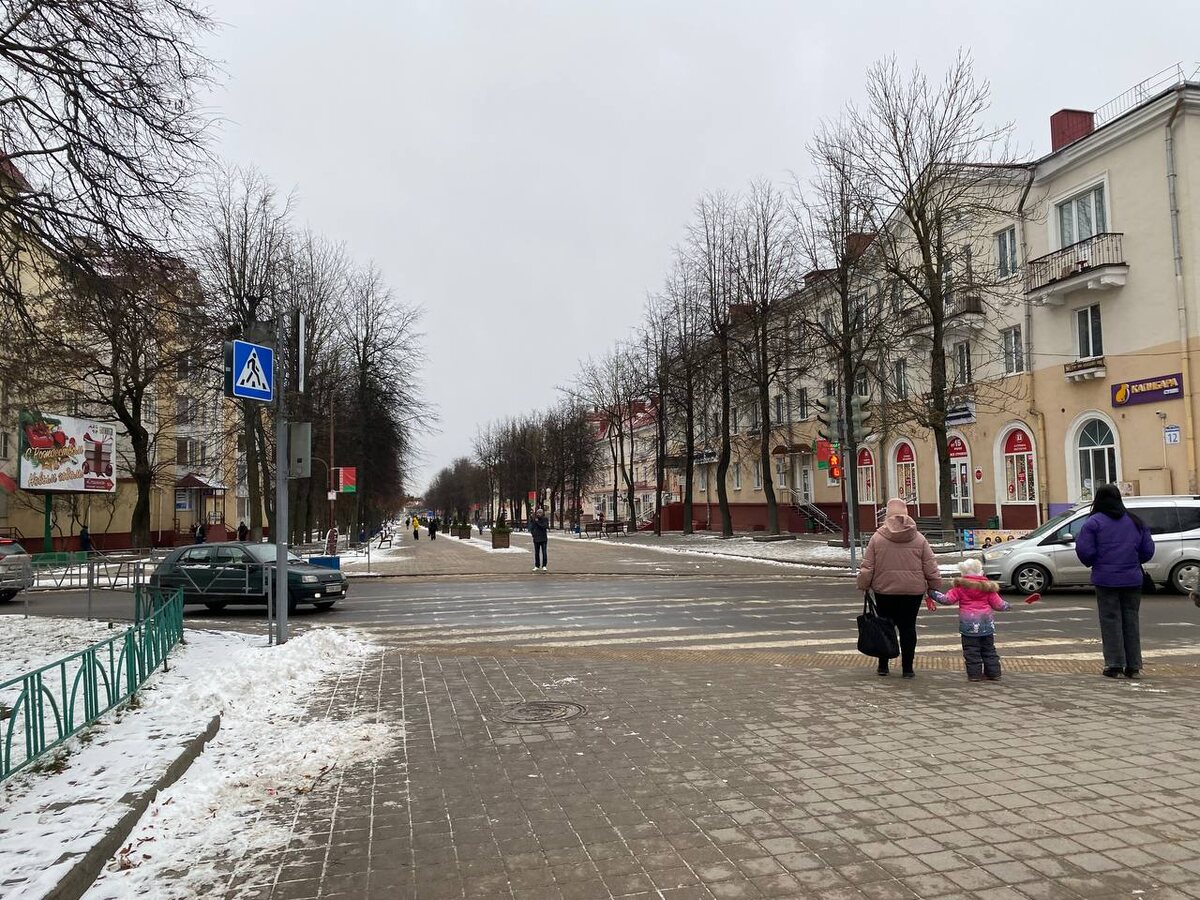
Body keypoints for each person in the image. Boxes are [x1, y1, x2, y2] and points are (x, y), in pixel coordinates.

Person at [1075, 484, 1155, 678]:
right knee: (1131, 620)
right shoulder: (1135, 521)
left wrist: (1096, 561)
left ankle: (1115, 665)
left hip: (1105, 579)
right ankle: (1133, 666)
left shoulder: (1094, 522)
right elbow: (1147, 551)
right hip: (1132, 579)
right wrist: (1132, 561)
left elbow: (1084, 551)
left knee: (1110, 620)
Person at [856, 497, 941, 678]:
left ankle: (883, 666)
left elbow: (867, 566)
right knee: (908, 628)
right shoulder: (919, 539)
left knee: (885, 626)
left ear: (887, 515)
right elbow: (930, 565)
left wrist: (864, 585)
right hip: (913, 592)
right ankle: (908, 669)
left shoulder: (877, 538)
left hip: (885, 591)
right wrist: (934, 586)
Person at [929, 558, 1013, 682]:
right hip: (986, 626)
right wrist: (1008, 606)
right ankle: (994, 673)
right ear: (981, 572)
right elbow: (999, 605)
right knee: (989, 650)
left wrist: (933, 593)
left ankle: (974, 675)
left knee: (971, 651)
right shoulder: (988, 588)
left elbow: (947, 600)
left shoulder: (960, 588)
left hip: (968, 626)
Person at [530, 505, 549, 572]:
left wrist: (538, 522)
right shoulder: (534, 519)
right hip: (536, 539)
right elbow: (532, 528)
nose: (538, 514)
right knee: (536, 553)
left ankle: (544, 565)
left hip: (543, 538)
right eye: (538, 513)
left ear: (542, 513)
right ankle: (537, 565)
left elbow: (545, 526)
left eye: (540, 513)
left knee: (544, 552)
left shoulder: (545, 519)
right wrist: (533, 534)